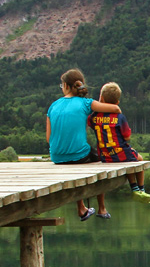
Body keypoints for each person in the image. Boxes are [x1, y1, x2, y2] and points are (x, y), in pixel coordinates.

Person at [46, 69, 121, 221]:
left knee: (75, 160)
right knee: (102, 159)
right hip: (79, 155)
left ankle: (81, 208)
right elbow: (115, 109)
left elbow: (49, 138)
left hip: (57, 156)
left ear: (66, 86)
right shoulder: (86, 103)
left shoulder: (53, 106)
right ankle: (102, 207)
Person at [89, 82, 150, 212]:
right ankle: (140, 189)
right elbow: (127, 137)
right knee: (138, 159)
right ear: (117, 102)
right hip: (120, 153)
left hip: (104, 156)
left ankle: (135, 187)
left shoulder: (94, 117)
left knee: (129, 159)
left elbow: (90, 120)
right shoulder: (119, 117)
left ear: (101, 99)